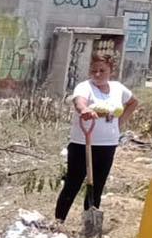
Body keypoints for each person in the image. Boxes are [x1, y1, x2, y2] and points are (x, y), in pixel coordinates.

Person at [55, 54, 138, 224]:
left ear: (111, 71)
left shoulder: (118, 88)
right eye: (94, 71)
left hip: (107, 145)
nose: (98, 74)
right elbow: (79, 103)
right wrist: (84, 110)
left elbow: (133, 102)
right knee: (73, 184)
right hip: (82, 144)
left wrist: (119, 123)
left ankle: (89, 225)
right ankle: (58, 221)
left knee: (97, 186)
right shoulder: (84, 87)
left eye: (102, 71)